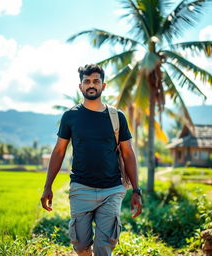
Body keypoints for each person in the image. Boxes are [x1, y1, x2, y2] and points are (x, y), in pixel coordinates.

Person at [41, 64, 142, 256]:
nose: (91, 85)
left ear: (103, 86)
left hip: (112, 189)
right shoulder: (71, 116)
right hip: (81, 188)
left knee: (104, 246)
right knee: (80, 245)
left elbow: (128, 153)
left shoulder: (117, 116)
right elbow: (59, 151)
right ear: (80, 87)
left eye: (96, 81)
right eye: (87, 81)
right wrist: (48, 186)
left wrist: (136, 190)